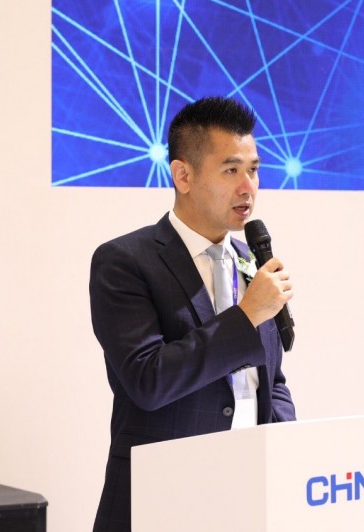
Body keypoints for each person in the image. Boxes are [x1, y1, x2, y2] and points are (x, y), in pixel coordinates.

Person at [89, 96, 297, 531]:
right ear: (183, 175)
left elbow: (270, 379)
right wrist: (246, 315)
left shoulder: (250, 261)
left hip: (246, 498)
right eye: (231, 170)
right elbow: (148, 380)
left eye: (254, 169)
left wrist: (288, 453)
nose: (248, 187)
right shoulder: (125, 261)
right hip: (163, 497)